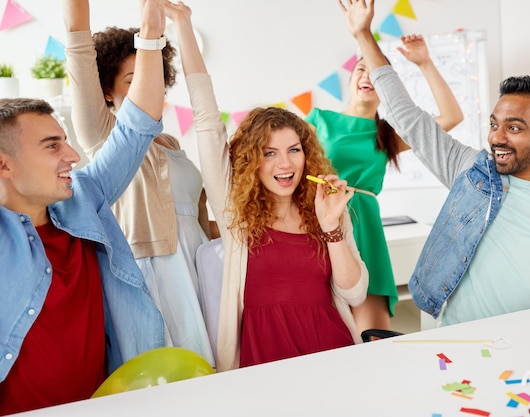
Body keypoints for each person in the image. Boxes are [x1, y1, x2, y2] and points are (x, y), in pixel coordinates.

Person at [338, 0, 530, 326]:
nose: (497, 137)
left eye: (514, 127)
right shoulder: (471, 171)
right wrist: (363, 34)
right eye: (493, 124)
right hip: (461, 339)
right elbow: (407, 116)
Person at [0, 0, 167, 413]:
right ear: (4, 165)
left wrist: (151, 34)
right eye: (52, 145)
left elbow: (136, 126)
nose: (73, 155)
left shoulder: (85, 197)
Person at [63, 0, 216, 363]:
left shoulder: (172, 142)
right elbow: (76, 42)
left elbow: (197, 216)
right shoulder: (103, 132)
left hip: (198, 263)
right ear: (105, 91)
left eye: (154, 77)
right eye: (132, 81)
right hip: (155, 268)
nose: (150, 86)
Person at [193, 77, 368, 369]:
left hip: (332, 355)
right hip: (263, 365)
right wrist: (182, 30)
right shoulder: (236, 216)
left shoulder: (327, 210)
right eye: (269, 153)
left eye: (294, 150)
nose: (285, 164)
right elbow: (207, 125)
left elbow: (356, 293)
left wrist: (330, 227)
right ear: (251, 161)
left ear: (307, 155)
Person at [306, 34, 463, 332]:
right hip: (322, 222)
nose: (367, 76)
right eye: (360, 69)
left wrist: (425, 63)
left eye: (374, 71)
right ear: (351, 79)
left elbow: (452, 116)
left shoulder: (390, 134)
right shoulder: (319, 119)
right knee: (324, 329)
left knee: (372, 335)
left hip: (366, 227)